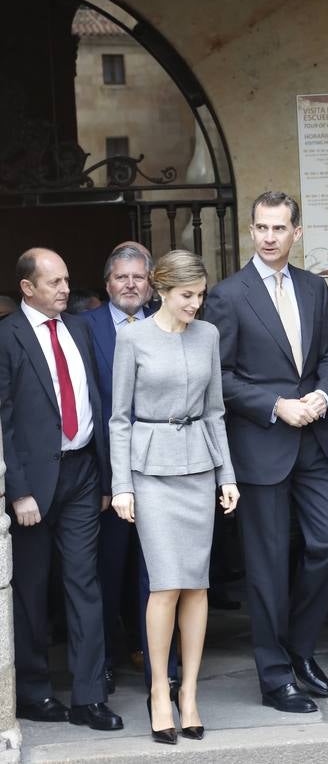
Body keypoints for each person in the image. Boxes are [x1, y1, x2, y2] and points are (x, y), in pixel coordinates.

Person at [204, 190, 328, 714]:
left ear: (296, 233)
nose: (268, 237)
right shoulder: (228, 294)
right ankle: (273, 677)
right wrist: (275, 405)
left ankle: (299, 647)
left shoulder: (314, 288)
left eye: (278, 229)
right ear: (251, 231)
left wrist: (322, 393)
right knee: (265, 568)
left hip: (313, 440)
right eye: (260, 228)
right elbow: (217, 377)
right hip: (262, 444)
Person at [110, 250, 238, 744]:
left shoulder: (208, 335)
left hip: (199, 469)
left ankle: (189, 695)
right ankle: (160, 692)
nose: (195, 304)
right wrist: (121, 485)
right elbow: (119, 418)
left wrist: (226, 474)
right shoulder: (132, 338)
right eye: (188, 295)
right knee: (165, 584)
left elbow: (215, 412)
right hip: (151, 471)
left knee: (197, 585)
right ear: (161, 289)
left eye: (201, 295)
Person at [0, 248, 122, 730]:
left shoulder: (79, 328)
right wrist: (19, 491)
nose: (66, 289)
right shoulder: (6, 337)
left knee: (84, 584)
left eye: (68, 280)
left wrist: (107, 478)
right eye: (54, 282)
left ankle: (90, 696)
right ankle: (32, 692)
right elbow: (3, 419)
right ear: (27, 288)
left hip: (82, 474)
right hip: (34, 485)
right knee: (31, 591)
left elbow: (98, 399)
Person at [83, 245, 179, 696]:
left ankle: (162, 668)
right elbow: (88, 407)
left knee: (161, 572)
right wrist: (105, 479)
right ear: (107, 284)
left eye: (139, 277)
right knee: (106, 572)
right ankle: (101, 662)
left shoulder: (172, 324)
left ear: (151, 284)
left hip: (164, 472)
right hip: (109, 476)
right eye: (121, 277)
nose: (130, 285)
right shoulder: (83, 328)